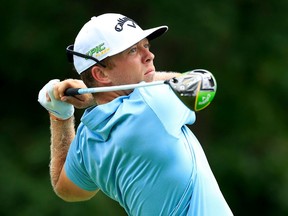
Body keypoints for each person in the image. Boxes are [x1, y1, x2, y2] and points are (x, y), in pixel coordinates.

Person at [38, 13, 233, 216]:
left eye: (145, 46)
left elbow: (66, 189)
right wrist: (94, 96)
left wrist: (60, 116)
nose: (149, 55)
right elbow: (202, 82)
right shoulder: (151, 104)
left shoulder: (87, 140)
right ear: (101, 74)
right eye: (132, 50)